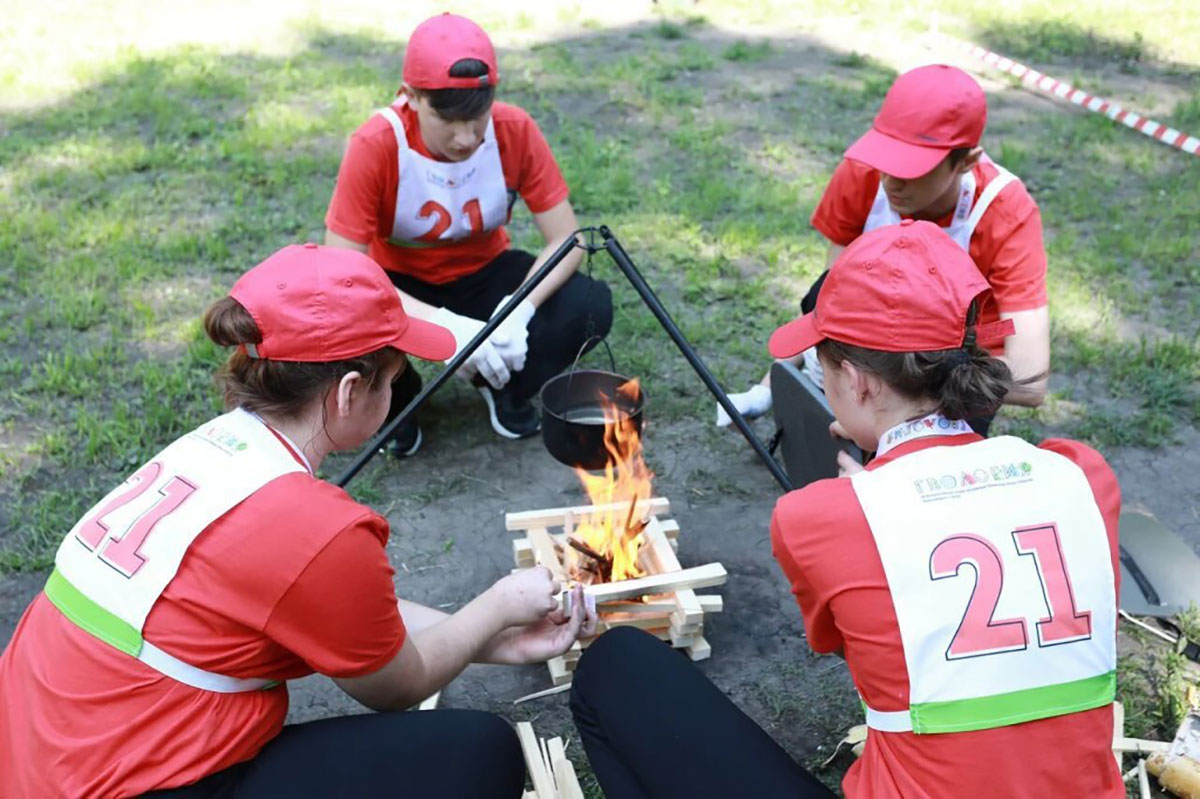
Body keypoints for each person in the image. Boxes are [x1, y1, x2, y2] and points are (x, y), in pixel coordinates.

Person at [0, 244, 596, 798]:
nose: (399, 391)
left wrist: (498, 640)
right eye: (396, 378)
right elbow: (395, 687)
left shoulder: (213, 449)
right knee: (478, 753)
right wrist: (493, 606)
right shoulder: (318, 530)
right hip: (126, 781)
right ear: (349, 391)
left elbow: (342, 616)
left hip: (42, 755)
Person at [572, 222, 1122, 798]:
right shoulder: (1082, 475)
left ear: (857, 382)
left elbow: (841, 643)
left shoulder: (821, 519)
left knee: (616, 668)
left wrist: (871, 498)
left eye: (822, 367)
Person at [325, 12, 612, 454]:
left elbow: (568, 239)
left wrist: (519, 309)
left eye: (477, 118)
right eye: (447, 119)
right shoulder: (376, 144)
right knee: (340, 312)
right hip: (400, 284)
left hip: (485, 274)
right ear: (411, 97)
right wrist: (441, 325)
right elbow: (342, 270)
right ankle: (393, 397)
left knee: (588, 304)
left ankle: (502, 380)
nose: (465, 138)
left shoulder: (514, 129)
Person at [719, 64, 1050, 436]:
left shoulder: (1006, 213)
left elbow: (1029, 376)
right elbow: (831, 302)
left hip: (954, 371)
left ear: (966, 162)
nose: (891, 181)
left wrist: (900, 416)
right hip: (869, 351)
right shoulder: (864, 173)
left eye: (912, 168)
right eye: (886, 160)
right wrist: (768, 386)